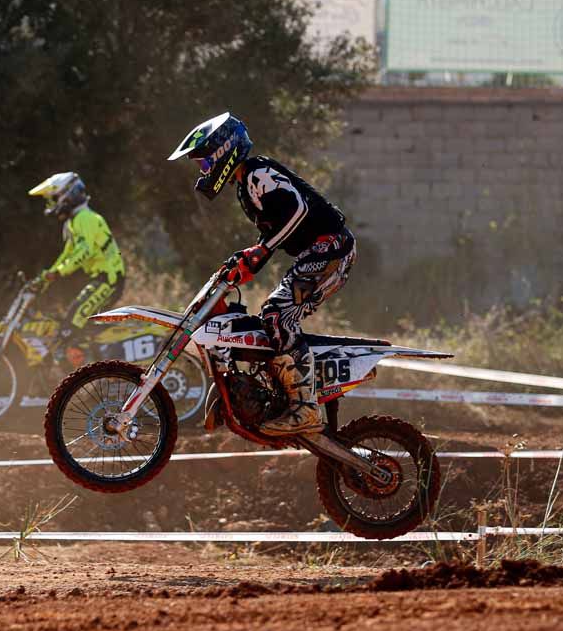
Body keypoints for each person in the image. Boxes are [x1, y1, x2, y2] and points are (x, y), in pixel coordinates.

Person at [169, 112, 356, 436]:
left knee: (277, 315)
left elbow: (298, 210)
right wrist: (245, 259)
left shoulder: (258, 171)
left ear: (222, 151)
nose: (203, 171)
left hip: (331, 249)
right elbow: (275, 229)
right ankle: (278, 395)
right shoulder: (245, 188)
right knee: (263, 320)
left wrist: (262, 251)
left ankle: (305, 409)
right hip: (317, 253)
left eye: (203, 163)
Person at [27, 172, 125, 361]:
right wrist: (46, 277)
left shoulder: (85, 218)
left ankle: (85, 368)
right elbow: (67, 254)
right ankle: (95, 363)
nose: (51, 203)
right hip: (101, 279)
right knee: (77, 322)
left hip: (109, 279)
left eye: (54, 198)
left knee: (73, 320)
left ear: (68, 195)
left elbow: (84, 251)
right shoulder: (74, 221)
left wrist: (58, 272)